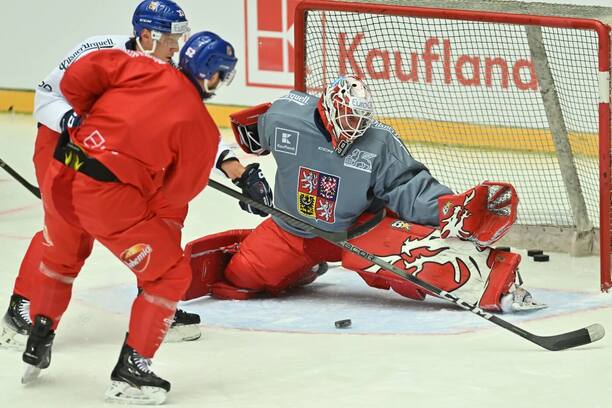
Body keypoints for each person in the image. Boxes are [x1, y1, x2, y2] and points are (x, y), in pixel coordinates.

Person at [0, 0, 258, 349]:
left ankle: (155, 298)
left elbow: (190, 130)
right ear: (147, 34)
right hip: (66, 146)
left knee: (167, 212)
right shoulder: (100, 49)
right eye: (171, 36)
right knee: (68, 229)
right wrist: (75, 120)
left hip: (124, 162)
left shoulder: (169, 68)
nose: (176, 45)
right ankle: (22, 307)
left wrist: (237, 171)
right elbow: (47, 95)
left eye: (181, 37)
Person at [184, 75, 545, 314]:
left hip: (356, 231)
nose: (357, 127)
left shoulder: (378, 141)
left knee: (426, 261)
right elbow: (246, 134)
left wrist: (446, 209)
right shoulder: (284, 116)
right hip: (290, 230)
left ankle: (501, 285)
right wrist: (245, 177)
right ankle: (299, 268)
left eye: (362, 120)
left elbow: (406, 186)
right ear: (329, 109)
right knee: (239, 280)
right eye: (350, 119)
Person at [20, 31, 237, 404]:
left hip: (62, 171)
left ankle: (40, 335)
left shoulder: (135, 64)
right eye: (222, 73)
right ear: (210, 74)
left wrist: (98, 122)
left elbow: (74, 80)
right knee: (169, 274)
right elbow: (179, 192)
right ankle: (132, 372)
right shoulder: (199, 125)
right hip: (106, 198)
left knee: (61, 259)